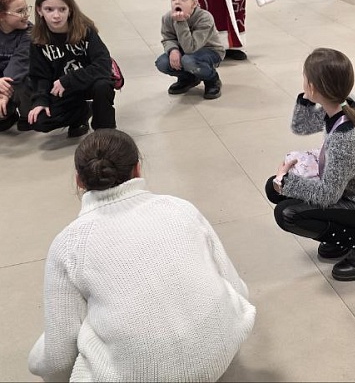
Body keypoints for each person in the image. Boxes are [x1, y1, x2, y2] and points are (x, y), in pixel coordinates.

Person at [28, 129, 255, 381]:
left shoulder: (69, 243)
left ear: (79, 180)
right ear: (137, 169)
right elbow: (238, 289)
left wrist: (35, 361)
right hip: (220, 355)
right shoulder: (180, 208)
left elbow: (58, 362)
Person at [266, 48, 355, 281]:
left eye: (305, 79)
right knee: (272, 188)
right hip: (350, 190)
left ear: (313, 86)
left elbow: (328, 194)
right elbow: (301, 127)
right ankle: (344, 237)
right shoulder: (344, 102)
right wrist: (306, 99)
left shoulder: (346, 136)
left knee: (286, 214)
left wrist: (285, 181)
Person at [27, 0, 115, 138]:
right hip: (62, 91)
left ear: (70, 10)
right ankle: (84, 112)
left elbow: (103, 65)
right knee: (40, 121)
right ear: (39, 10)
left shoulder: (85, 31)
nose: (56, 15)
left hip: (88, 82)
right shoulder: (37, 40)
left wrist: (69, 80)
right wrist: (40, 101)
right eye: (49, 9)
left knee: (103, 86)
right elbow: (39, 76)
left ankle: (105, 133)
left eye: (62, 9)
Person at [155, 0, 225, 100]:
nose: (177, 2)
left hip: (210, 51)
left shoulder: (204, 18)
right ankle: (189, 78)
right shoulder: (168, 17)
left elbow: (190, 48)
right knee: (162, 63)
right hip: (185, 50)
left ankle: (212, 79)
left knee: (188, 60)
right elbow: (168, 38)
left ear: (194, 3)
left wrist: (181, 22)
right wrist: (173, 50)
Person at [0, 0, 32, 132]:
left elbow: (19, 64)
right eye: (20, 11)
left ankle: (26, 116)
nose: (26, 15)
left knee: (22, 80)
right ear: (2, 15)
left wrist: (2, 94)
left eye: (26, 9)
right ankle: (8, 114)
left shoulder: (30, 33)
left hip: (18, 81)